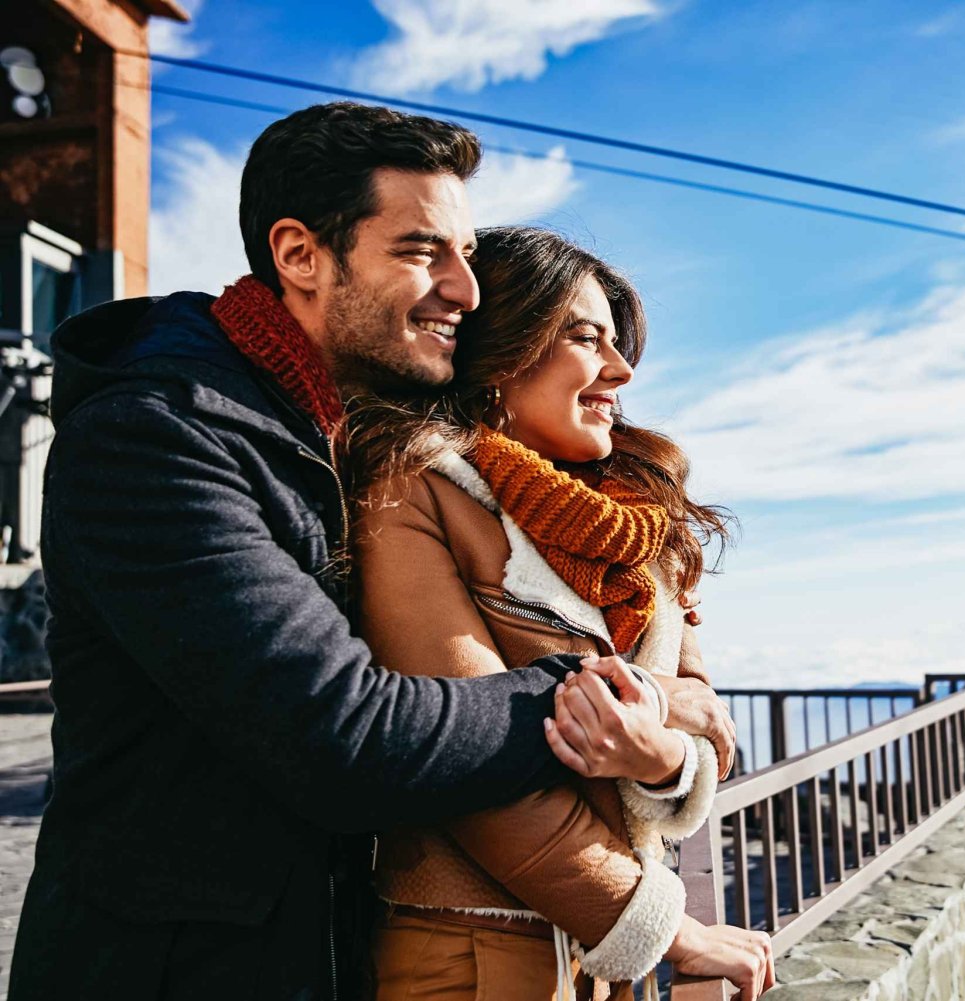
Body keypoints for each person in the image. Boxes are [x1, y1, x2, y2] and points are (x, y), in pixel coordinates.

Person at [9, 103, 682, 1001]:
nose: (466, 292)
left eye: (468, 255)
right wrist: (602, 694)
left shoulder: (331, 432)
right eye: (420, 252)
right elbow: (347, 738)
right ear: (300, 256)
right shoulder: (157, 438)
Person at [346, 226, 774, 1000]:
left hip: (596, 953)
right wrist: (669, 930)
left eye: (617, 343)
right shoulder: (415, 492)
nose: (622, 369)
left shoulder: (644, 523)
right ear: (502, 355)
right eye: (585, 338)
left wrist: (658, 757)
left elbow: (708, 725)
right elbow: (465, 762)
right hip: (471, 950)